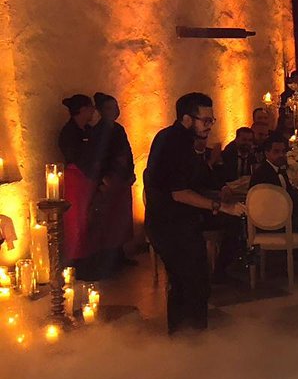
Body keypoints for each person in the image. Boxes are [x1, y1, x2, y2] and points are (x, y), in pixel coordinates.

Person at [144, 93, 245, 334]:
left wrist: (218, 189)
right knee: (192, 284)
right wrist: (221, 207)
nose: (210, 126)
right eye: (206, 121)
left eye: (212, 120)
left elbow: (196, 178)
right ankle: (190, 339)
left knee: (188, 284)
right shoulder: (175, 143)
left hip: (178, 223)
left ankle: (186, 340)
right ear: (187, 119)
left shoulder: (177, 139)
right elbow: (179, 193)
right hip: (170, 225)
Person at [84, 93, 136, 277]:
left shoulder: (119, 129)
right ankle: (108, 259)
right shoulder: (97, 131)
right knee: (109, 221)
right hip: (109, 180)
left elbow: (127, 152)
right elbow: (98, 158)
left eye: (115, 107)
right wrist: (104, 178)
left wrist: (130, 172)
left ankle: (120, 253)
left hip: (122, 179)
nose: (114, 111)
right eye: (109, 108)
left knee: (122, 219)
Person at [58, 94, 99, 268]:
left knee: (89, 218)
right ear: (83, 110)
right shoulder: (68, 133)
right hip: (75, 179)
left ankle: (89, 256)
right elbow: (75, 156)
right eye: (90, 108)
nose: (93, 111)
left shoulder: (89, 130)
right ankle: (76, 260)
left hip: (89, 179)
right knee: (76, 220)